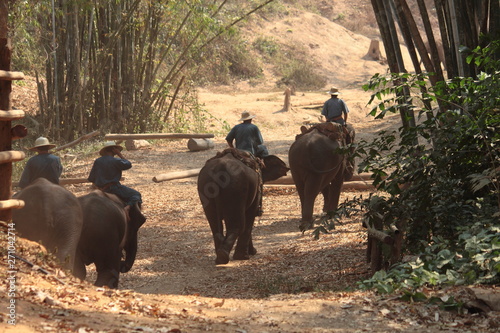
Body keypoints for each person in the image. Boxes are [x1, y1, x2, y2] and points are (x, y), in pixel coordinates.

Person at [88, 141, 145, 222]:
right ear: (114, 150)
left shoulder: (97, 161)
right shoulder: (115, 161)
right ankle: (127, 208)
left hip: (99, 189)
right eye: (116, 149)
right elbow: (128, 164)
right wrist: (120, 154)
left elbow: (91, 178)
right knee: (136, 194)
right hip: (113, 188)